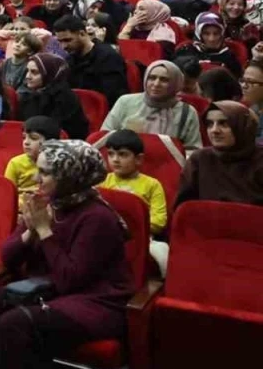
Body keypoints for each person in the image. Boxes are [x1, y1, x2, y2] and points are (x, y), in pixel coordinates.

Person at [0, 140, 133, 369]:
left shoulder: (98, 218)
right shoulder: (45, 204)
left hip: (95, 302)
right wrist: (30, 231)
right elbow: (8, 257)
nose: (36, 178)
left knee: (15, 323)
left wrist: (45, 231)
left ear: (70, 176)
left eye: (45, 172)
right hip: (46, 290)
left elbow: (70, 279)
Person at [100, 129, 170, 274]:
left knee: (164, 253)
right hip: (108, 235)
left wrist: (134, 226)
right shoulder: (103, 182)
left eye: (123, 154)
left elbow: (159, 221)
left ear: (138, 159)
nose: (115, 159)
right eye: (111, 154)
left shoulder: (152, 184)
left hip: (144, 239)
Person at [175, 101, 263, 207]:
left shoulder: (260, 159)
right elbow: (183, 207)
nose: (214, 130)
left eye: (224, 123)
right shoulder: (200, 159)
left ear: (243, 126)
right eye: (210, 124)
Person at [101, 60, 201, 152]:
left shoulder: (187, 112)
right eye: (152, 78)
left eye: (164, 80)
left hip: (166, 168)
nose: (156, 84)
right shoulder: (125, 102)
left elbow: (192, 151)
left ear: (175, 83)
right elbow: (104, 137)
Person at [54, 15, 128, 105]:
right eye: (60, 41)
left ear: (82, 34)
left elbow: (113, 96)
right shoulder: (69, 60)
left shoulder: (108, 57)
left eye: (67, 40)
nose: (63, 46)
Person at [18, 52, 89, 142]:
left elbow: (56, 132)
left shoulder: (65, 98)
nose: (27, 76)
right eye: (27, 71)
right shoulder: (29, 96)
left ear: (49, 74)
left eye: (34, 72)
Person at [1, 116, 56, 199]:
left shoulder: (58, 163)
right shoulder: (15, 163)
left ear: (50, 142)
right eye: (24, 137)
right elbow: (6, 195)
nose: (26, 142)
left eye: (33, 138)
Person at [175, 13, 242, 76]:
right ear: (199, 34)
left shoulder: (230, 58)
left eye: (216, 34)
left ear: (222, 34)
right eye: (206, 34)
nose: (211, 39)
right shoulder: (185, 51)